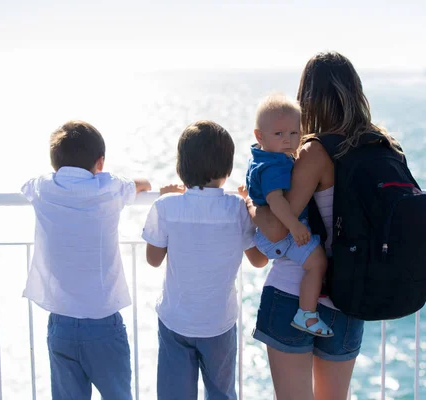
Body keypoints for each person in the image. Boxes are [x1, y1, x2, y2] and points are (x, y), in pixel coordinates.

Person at [245, 52, 394, 400]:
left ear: (308, 97)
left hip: (291, 294)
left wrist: (251, 203)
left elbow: (279, 229)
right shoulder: (382, 147)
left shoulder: (313, 152)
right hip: (347, 297)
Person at [21, 120, 151, 400]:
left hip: (62, 324)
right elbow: (141, 185)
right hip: (103, 324)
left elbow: (28, 186)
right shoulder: (110, 188)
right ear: (100, 162)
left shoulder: (44, 188)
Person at [141, 120, 268, 400]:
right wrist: (250, 206)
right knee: (221, 393)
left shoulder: (165, 207)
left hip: (176, 321)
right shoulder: (236, 209)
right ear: (227, 169)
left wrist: (166, 201)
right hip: (218, 323)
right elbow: (259, 260)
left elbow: (153, 259)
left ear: (181, 166)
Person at [244, 93, 331, 337]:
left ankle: (248, 239)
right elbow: (276, 201)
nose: (288, 140)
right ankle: (307, 314)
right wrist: (294, 226)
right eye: (279, 134)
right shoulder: (275, 166)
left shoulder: (262, 157)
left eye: (294, 133)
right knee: (318, 264)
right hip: (284, 235)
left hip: (270, 234)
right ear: (260, 136)